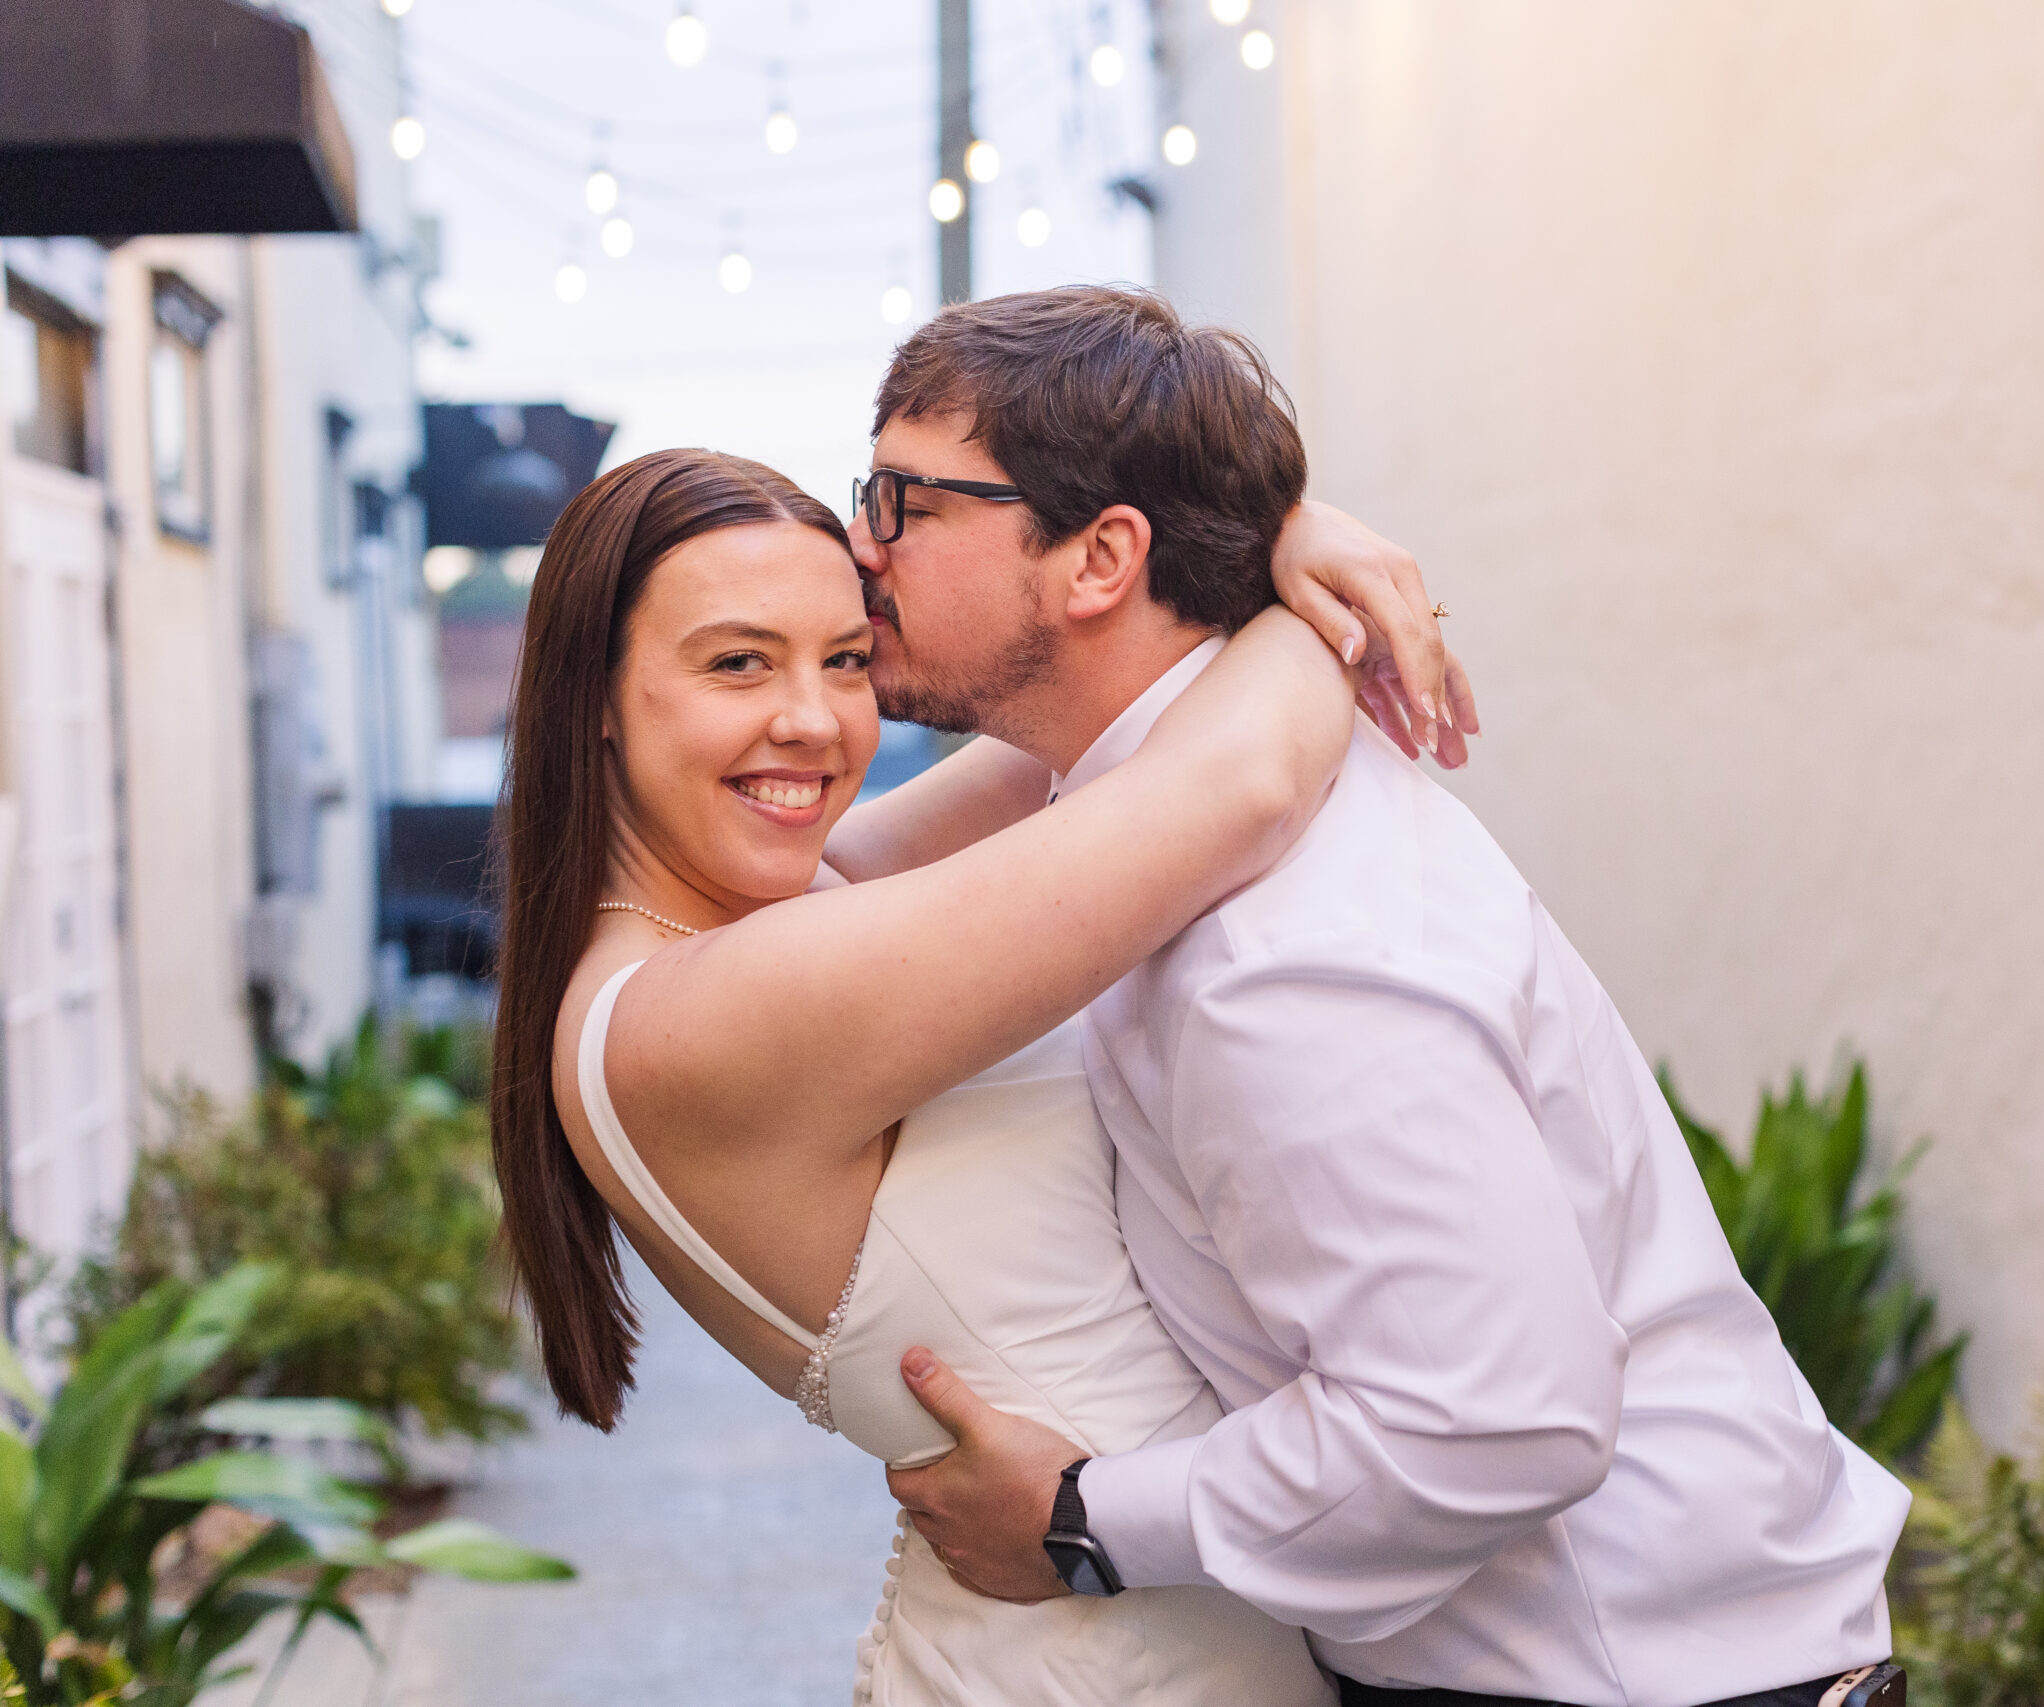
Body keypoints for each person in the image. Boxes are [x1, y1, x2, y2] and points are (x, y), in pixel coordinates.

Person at [855, 286, 1915, 1707]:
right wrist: (1285, 553)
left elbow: (1495, 1420)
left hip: (1631, 1680)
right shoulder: (1157, 813)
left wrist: (1082, 1519)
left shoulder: (1277, 959)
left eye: (901, 501)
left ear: (1102, 555)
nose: (857, 547)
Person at [489, 439, 1467, 1706]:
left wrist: (1259, 536)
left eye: (845, 659)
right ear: (595, 698)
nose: (813, 719)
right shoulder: (705, 1012)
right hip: (1105, 1669)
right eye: (737, 661)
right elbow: (1236, 779)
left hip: (1126, 1638)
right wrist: (1298, 568)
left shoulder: (763, 919)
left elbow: (1108, 704)